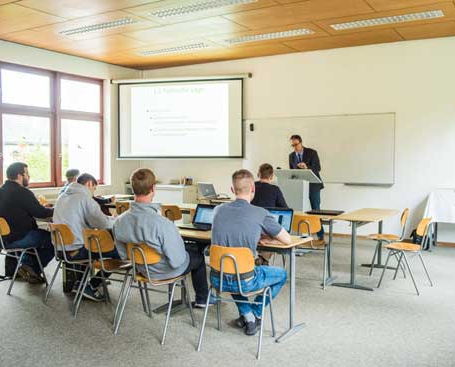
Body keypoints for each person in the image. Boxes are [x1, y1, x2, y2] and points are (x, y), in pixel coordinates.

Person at [113, 168, 210, 308]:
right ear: (153, 188)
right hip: (165, 271)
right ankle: (202, 300)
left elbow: (123, 255)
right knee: (198, 257)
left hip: (142, 269)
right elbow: (177, 261)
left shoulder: (119, 221)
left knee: (190, 248)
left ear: (132, 188)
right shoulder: (162, 223)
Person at [212, 169, 290, 336]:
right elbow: (287, 240)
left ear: (232, 190)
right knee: (282, 274)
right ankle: (256, 312)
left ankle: (247, 316)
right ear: (253, 188)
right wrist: (265, 236)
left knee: (231, 267)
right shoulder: (260, 213)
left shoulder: (218, 210)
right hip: (245, 280)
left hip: (216, 277)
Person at [53, 173, 119, 301]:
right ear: (89, 184)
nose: (93, 192)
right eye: (94, 188)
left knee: (90, 243)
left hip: (60, 248)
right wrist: (116, 220)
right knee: (121, 252)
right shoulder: (85, 198)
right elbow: (103, 224)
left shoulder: (62, 196)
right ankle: (91, 284)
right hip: (76, 250)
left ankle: (82, 283)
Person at [0, 162, 54, 283]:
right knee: (53, 240)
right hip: (16, 239)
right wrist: (55, 209)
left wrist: (41, 208)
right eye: (27, 174)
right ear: (20, 175)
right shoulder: (22, 192)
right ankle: (30, 268)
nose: (29, 177)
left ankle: (26, 265)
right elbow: (40, 213)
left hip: (0, 238)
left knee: (37, 236)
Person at [288, 134, 325, 240]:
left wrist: (306, 167)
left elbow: (318, 168)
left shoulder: (312, 152)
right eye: (292, 145)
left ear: (301, 142)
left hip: (313, 185)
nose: (295, 147)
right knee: (300, 211)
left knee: (315, 210)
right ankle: (301, 236)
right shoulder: (291, 156)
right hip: (300, 187)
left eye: (296, 144)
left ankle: (320, 236)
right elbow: (292, 172)